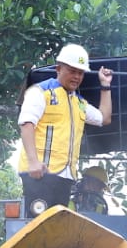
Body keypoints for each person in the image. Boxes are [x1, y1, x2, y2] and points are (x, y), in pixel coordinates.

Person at [17, 43, 114, 211]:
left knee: (56, 231)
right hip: (41, 174)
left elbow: (104, 118)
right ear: (59, 68)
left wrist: (105, 85)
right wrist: (33, 162)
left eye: (80, 73)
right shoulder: (41, 92)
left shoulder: (78, 103)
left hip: (65, 177)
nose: (77, 76)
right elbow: (26, 124)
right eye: (72, 71)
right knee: (41, 229)